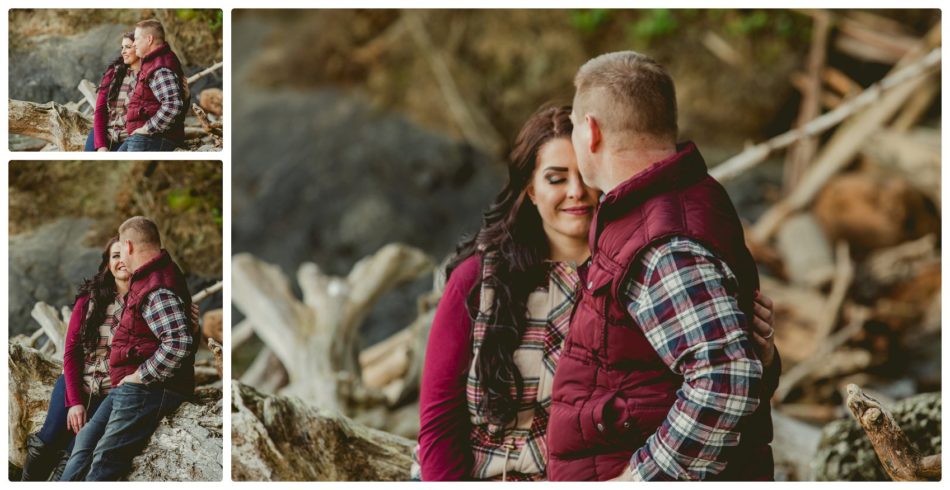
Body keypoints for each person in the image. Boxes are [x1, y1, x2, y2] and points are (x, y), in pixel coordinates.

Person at [416, 106, 780, 481]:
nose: (576, 193)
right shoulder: (479, 279)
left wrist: (762, 358)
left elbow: (709, 389)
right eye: (556, 179)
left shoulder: (642, 277)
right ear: (531, 189)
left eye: (584, 176)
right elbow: (439, 422)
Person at [547, 51, 775, 481]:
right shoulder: (680, 200)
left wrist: (639, 479)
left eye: (575, 126)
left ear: (590, 131)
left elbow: (725, 377)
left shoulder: (662, 244)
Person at [61, 216, 196, 480]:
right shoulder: (147, 277)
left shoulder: (157, 286)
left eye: (121, 248)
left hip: (148, 388)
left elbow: (178, 343)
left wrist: (140, 376)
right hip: (129, 384)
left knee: (105, 459)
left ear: (129, 247)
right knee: (84, 442)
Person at [20, 238, 129, 481]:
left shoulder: (144, 302)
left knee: (75, 454)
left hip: (112, 395)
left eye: (126, 255)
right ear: (107, 264)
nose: (122, 261)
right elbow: (71, 353)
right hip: (79, 382)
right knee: (47, 440)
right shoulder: (90, 300)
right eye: (115, 256)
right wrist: (75, 403)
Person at [117, 19, 187, 152]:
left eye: (137, 39)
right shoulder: (153, 62)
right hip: (143, 136)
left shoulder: (160, 67)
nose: (134, 43)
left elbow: (173, 105)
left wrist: (147, 128)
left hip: (154, 137)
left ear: (149, 39)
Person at [84, 33, 140, 152]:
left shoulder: (148, 76)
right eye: (122, 47)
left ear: (140, 48)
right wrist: (101, 146)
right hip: (104, 133)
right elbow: (100, 110)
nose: (123, 52)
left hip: (129, 138)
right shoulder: (114, 72)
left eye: (128, 47)